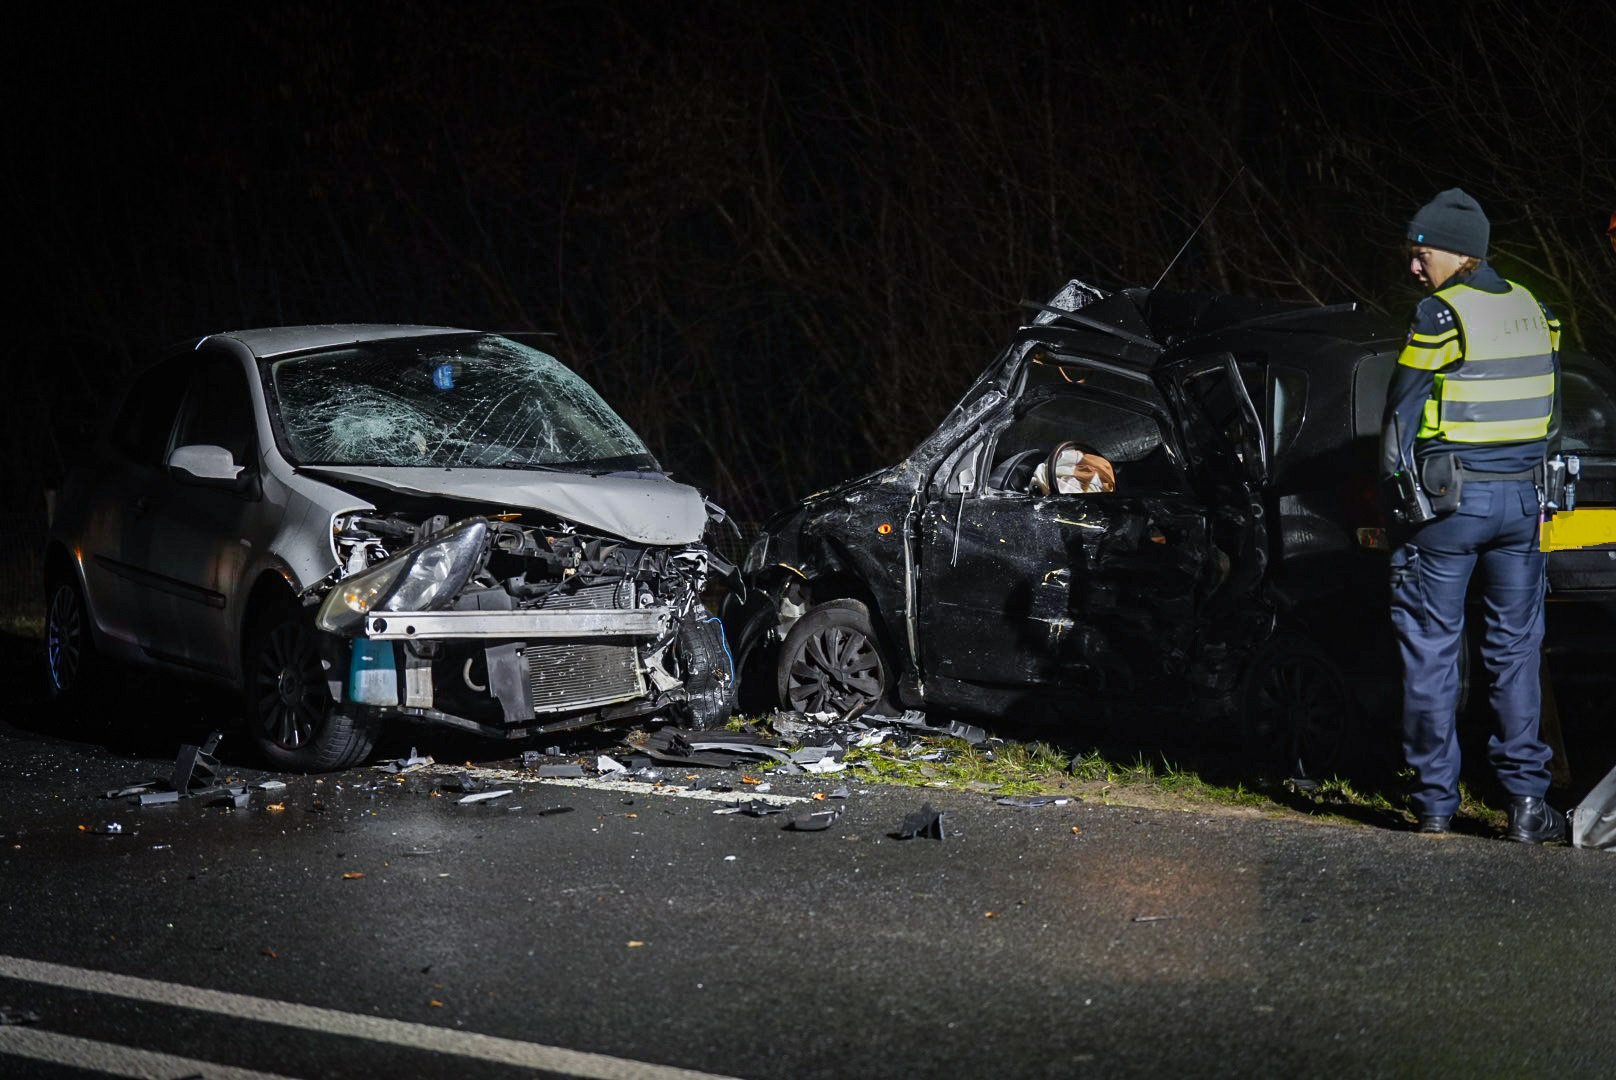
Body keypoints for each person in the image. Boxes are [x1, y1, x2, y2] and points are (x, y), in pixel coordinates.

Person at [1383, 188, 1565, 842]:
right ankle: (1525, 808)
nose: (1413, 267)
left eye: (1420, 253)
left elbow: (1399, 420)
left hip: (1449, 506)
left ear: (1458, 254)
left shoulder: (1439, 315)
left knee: (1432, 653)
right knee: (1515, 654)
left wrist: (1399, 500)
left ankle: (1434, 802)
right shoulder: (1539, 311)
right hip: (1522, 502)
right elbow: (1552, 419)